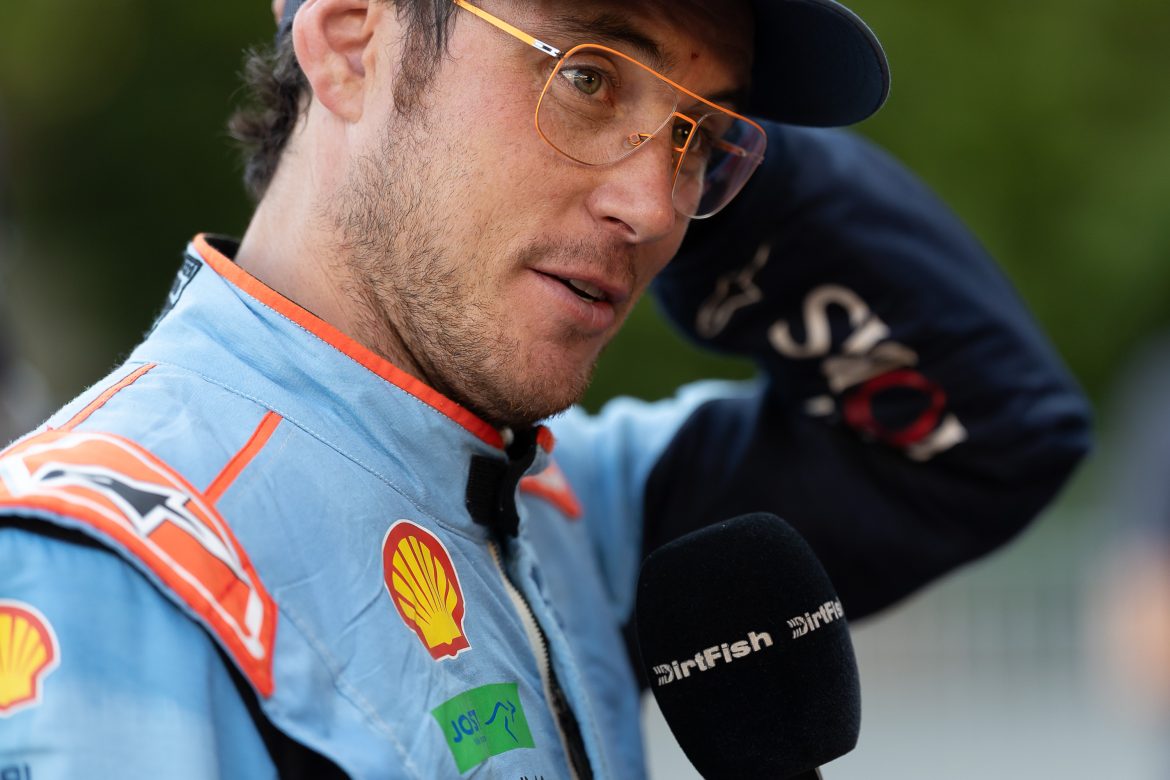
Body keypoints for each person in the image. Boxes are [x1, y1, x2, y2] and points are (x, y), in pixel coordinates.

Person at [0, 0, 1089, 777]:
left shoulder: (564, 511)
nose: (653, 209)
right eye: (587, 75)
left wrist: (708, 143)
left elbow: (992, 435)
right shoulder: (87, 570)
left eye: (700, 137)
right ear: (350, 42)